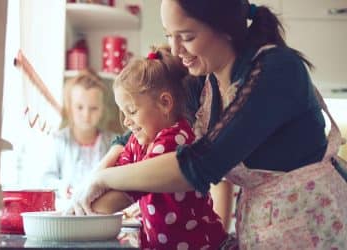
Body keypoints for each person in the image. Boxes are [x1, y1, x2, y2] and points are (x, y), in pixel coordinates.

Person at [71, 1, 347, 249]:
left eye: (187, 37)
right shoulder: (203, 81)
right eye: (170, 35)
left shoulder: (276, 70)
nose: (177, 50)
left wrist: (103, 179)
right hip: (265, 226)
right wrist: (92, 183)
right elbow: (134, 135)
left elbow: (201, 164)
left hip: (315, 223)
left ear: (224, 29)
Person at [69, 46, 229, 249]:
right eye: (123, 113)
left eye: (132, 111)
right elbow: (120, 169)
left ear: (164, 103)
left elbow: (131, 186)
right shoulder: (140, 140)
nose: (126, 122)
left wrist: (81, 210)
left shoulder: (175, 139)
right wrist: (86, 195)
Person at [40, 69, 117, 200]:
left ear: (102, 109)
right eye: (80, 107)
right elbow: (46, 178)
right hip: (68, 210)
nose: (86, 115)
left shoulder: (114, 142)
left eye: (93, 108)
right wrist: (61, 187)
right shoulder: (59, 140)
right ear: (70, 107)